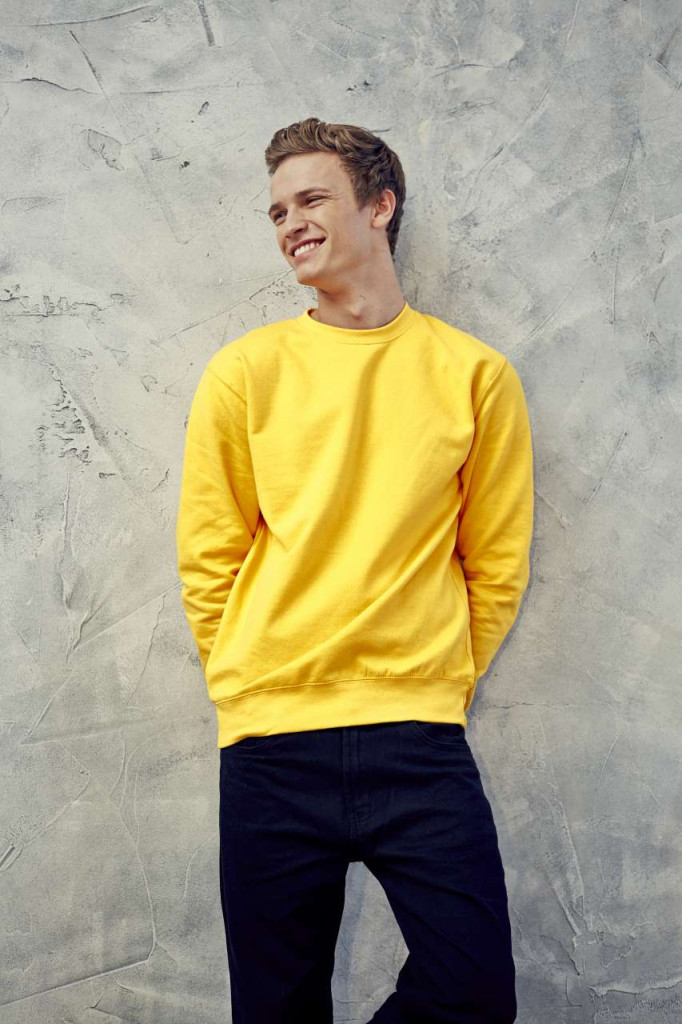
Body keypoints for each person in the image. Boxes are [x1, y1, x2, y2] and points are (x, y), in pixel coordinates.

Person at [176, 116, 533, 1024]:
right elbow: (210, 557)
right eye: (277, 211)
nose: (290, 222)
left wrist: (436, 675)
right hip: (271, 743)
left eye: (312, 199)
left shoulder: (473, 374)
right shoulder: (244, 372)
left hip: (417, 738)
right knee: (276, 1009)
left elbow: (495, 562)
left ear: (381, 205)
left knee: (473, 994)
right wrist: (248, 680)